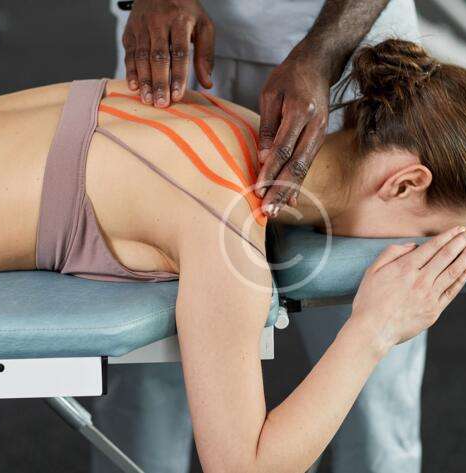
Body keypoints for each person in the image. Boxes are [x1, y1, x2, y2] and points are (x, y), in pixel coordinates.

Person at [0, 38, 466, 471]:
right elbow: (242, 466)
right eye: (432, 237)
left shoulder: (226, 116)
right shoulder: (227, 227)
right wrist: (372, 330)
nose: (420, 253)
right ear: (404, 183)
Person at [104, 1, 428, 471]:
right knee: (149, 370)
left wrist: (322, 53)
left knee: (373, 393)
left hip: (353, 62)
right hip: (178, 51)